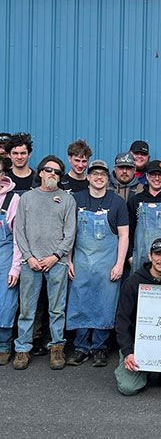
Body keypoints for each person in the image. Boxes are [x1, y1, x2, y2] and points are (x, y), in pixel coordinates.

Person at [13, 155, 77, 370]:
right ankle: (22, 349)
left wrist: (55, 256)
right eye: (49, 170)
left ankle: (57, 348)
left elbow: (70, 233)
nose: (53, 174)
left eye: (57, 172)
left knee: (57, 309)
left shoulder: (67, 199)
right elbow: (19, 231)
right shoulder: (27, 199)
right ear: (39, 172)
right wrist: (29, 257)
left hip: (56, 263)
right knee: (27, 309)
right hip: (29, 263)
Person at [66, 160, 129, 368]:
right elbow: (70, 233)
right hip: (82, 262)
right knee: (81, 301)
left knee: (105, 303)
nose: (98, 177)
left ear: (107, 177)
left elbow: (124, 235)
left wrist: (119, 264)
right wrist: (69, 260)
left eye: (102, 174)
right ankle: (81, 347)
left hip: (107, 262)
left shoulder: (117, 202)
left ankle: (100, 347)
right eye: (94, 174)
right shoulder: (76, 199)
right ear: (88, 177)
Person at [114, 238, 161, 395]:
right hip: (137, 345)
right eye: (158, 254)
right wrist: (128, 351)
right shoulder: (132, 282)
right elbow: (122, 321)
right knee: (128, 388)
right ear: (150, 256)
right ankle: (138, 368)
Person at [127, 160, 161, 273]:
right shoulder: (135, 200)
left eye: (160, 175)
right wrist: (130, 256)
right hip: (140, 259)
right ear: (147, 176)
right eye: (153, 175)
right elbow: (129, 231)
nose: (157, 178)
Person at [0, 157, 21, 365]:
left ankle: (4, 344)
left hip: (5, 256)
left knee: (5, 302)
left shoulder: (12, 199)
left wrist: (15, 268)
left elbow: (17, 238)